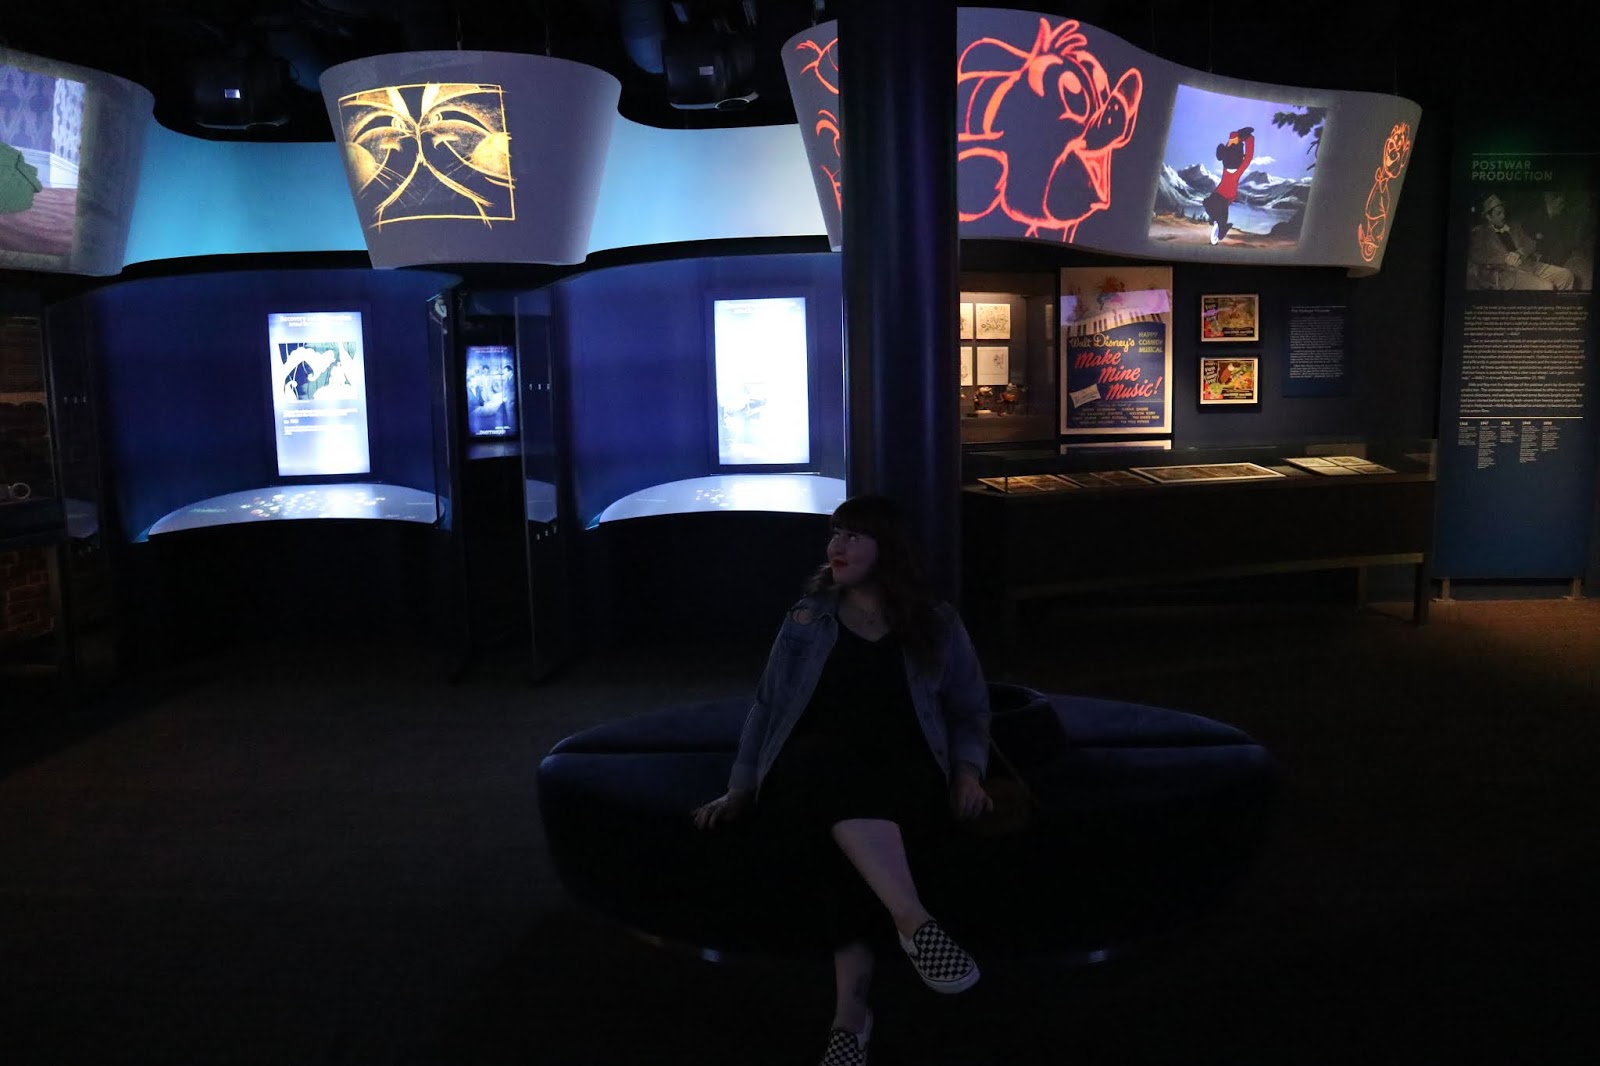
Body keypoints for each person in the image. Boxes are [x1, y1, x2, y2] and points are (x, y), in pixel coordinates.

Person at [691, 493, 993, 1066]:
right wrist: (741, 788)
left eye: (854, 535)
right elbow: (767, 706)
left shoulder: (936, 622)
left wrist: (968, 773)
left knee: (841, 844)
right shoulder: (807, 620)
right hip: (811, 769)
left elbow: (969, 709)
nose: (837, 546)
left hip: (902, 770)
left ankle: (851, 1016)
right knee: (820, 764)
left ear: (888, 547)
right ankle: (914, 923)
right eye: (835, 533)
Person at [1467, 192, 1574, 291]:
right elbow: (1477, 255)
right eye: (1498, 213)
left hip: (1528, 265)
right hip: (1505, 274)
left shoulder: (1514, 227)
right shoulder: (1481, 233)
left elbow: (1531, 243)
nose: (1503, 216)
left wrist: (1520, 252)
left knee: (1566, 275)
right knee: (1547, 287)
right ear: (1489, 217)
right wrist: (1505, 258)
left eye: (1503, 212)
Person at [1204, 125, 1255, 245]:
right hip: (1220, 193)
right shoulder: (1227, 166)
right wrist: (1239, 136)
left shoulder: (1238, 169)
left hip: (1226, 196)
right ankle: (1219, 224)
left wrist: (1248, 138)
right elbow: (1231, 145)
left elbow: (1248, 156)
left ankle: (1221, 227)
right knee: (1209, 203)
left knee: (1216, 206)